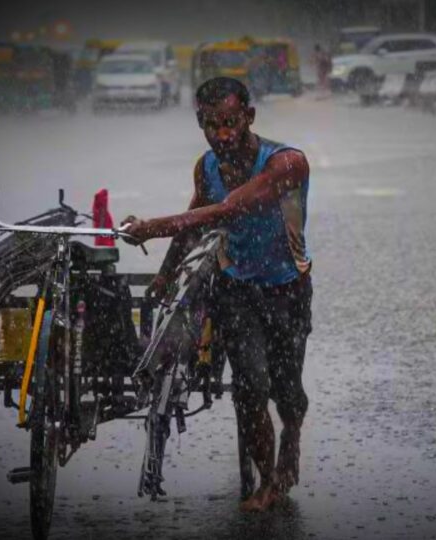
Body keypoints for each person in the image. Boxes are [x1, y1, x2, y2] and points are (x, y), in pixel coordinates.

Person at [121, 77, 312, 512]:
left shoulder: (287, 163)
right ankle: (267, 480)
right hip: (236, 289)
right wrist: (164, 277)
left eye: (230, 122)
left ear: (249, 117)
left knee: (287, 390)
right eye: (211, 124)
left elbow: (231, 209)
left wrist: (152, 226)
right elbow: (196, 221)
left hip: (288, 288)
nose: (222, 134)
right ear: (200, 123)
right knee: (249, 386)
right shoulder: (206, 167)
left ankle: (292, 439)